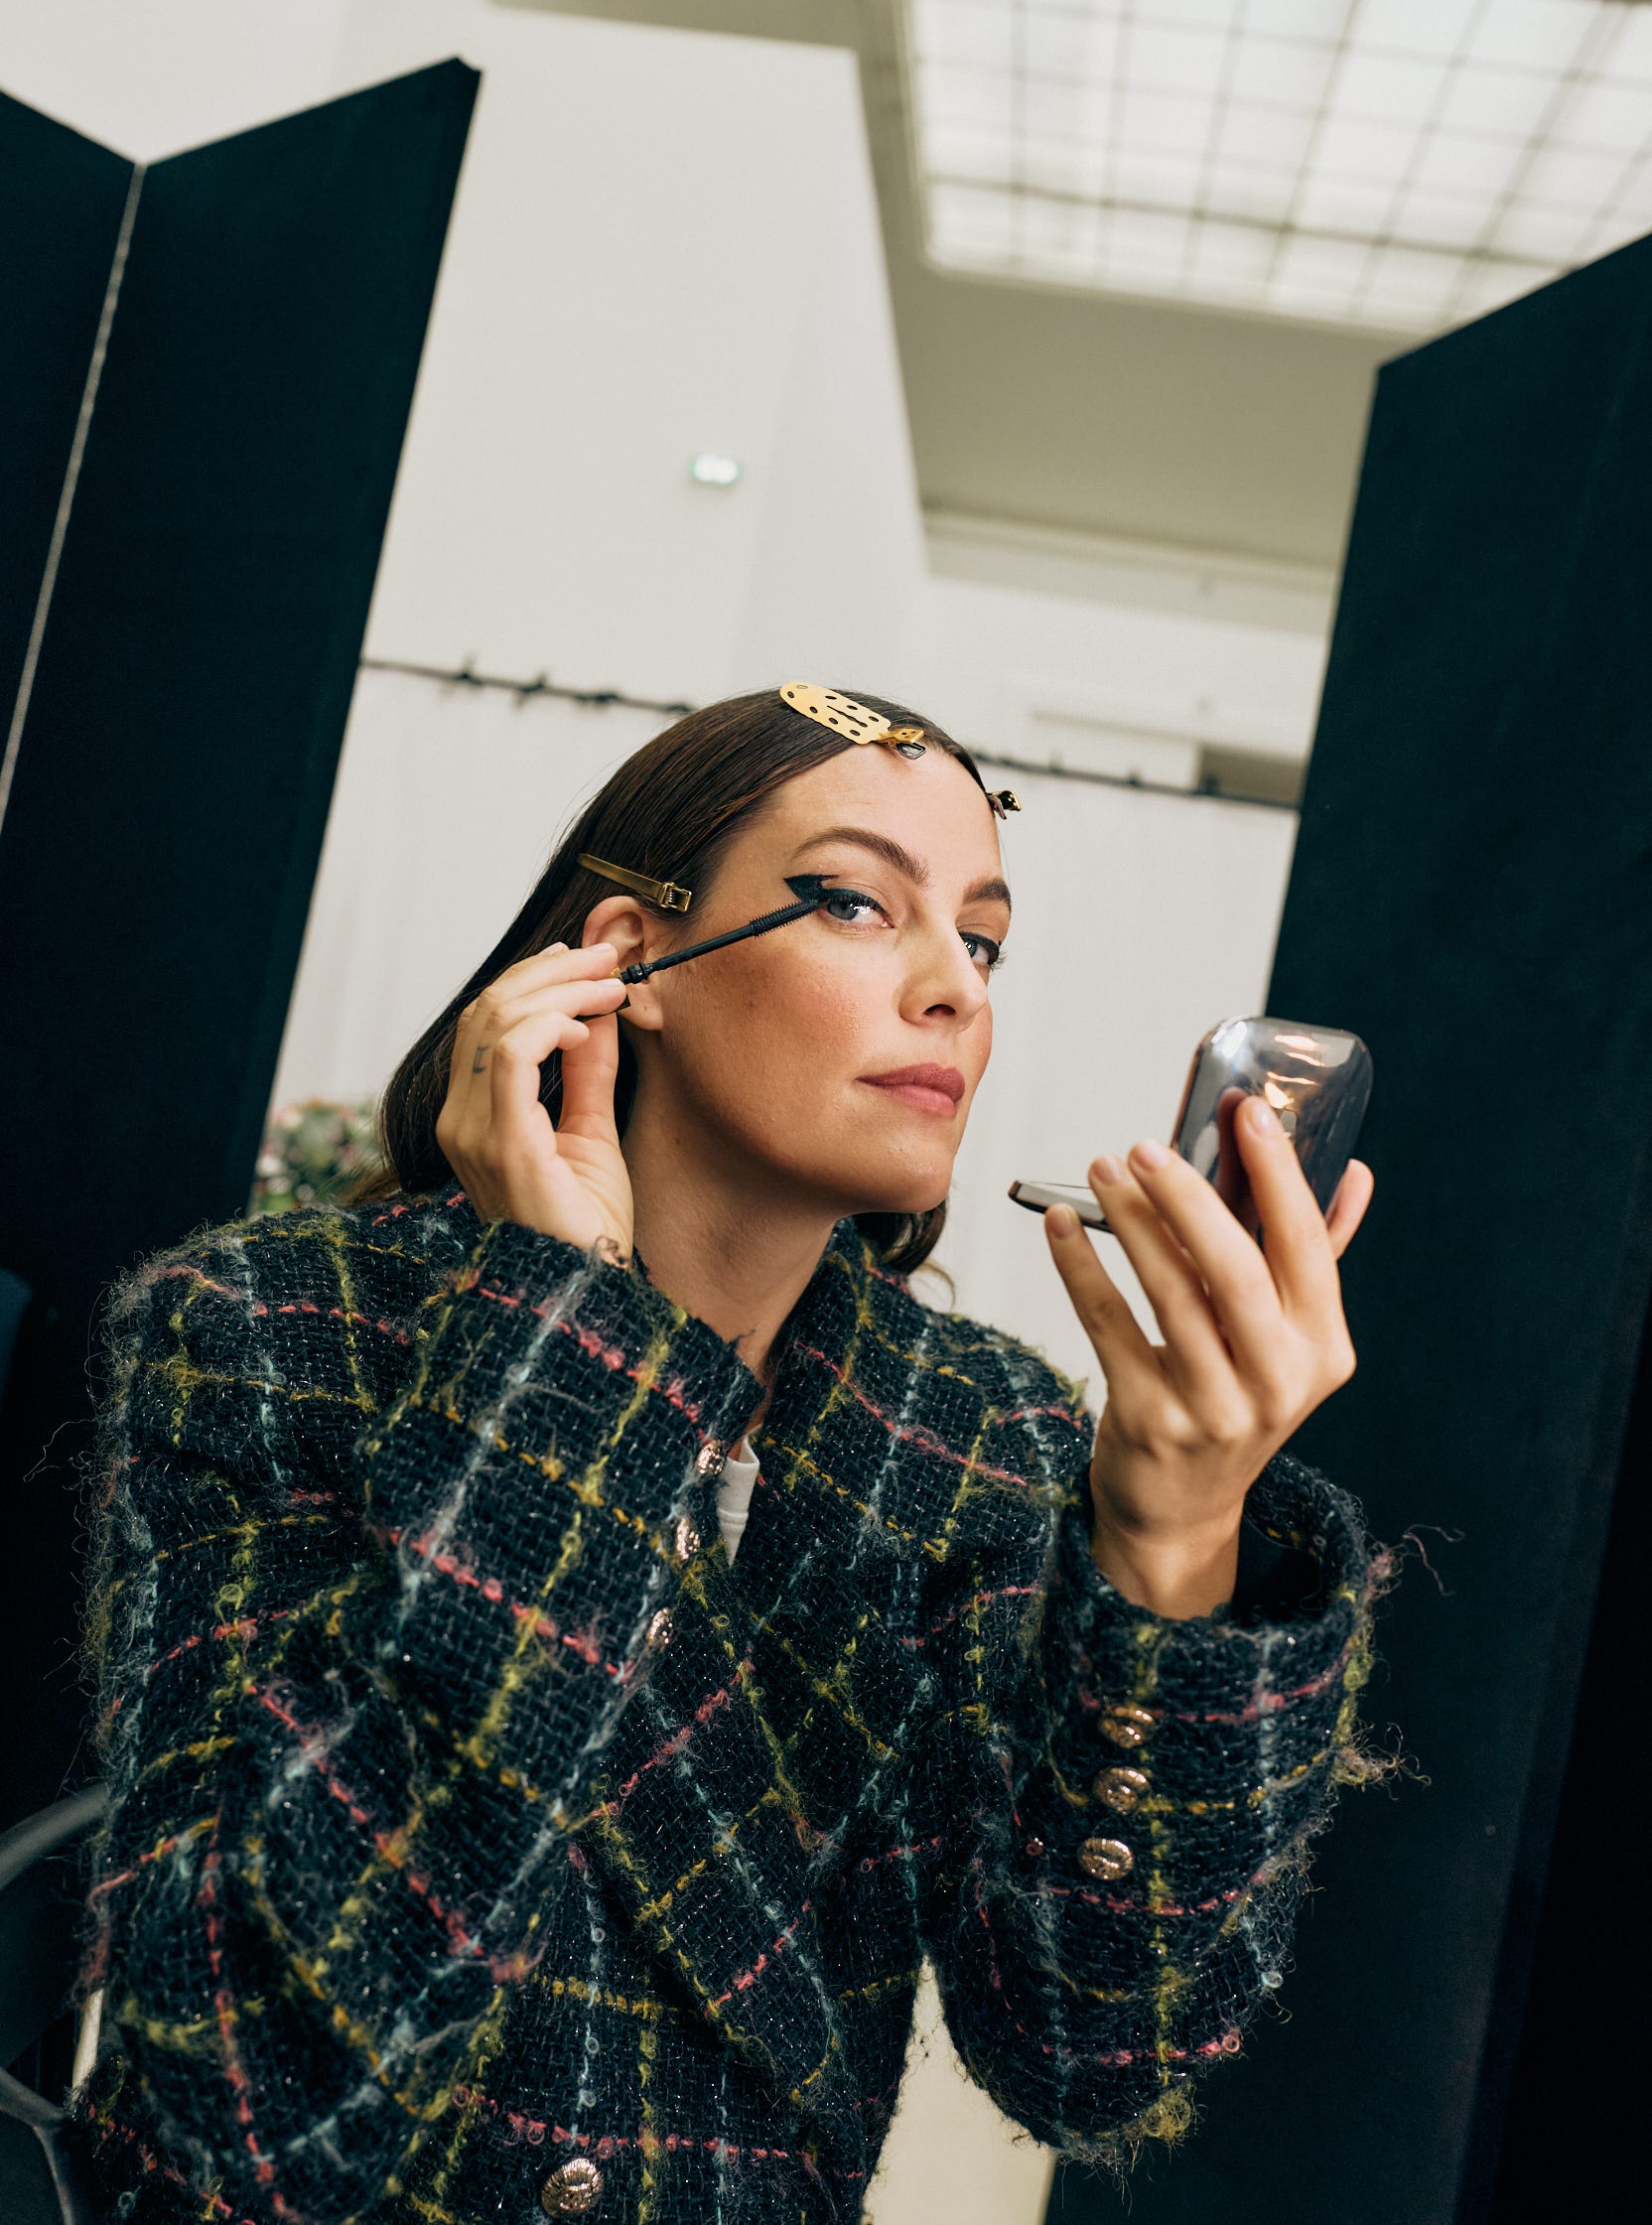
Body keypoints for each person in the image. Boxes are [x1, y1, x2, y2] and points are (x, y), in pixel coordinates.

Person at [76, 684, 1382, 2224]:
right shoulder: (269, 1331)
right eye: (853, 905)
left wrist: (1175, 1551)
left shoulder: (984, 1437)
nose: (953, 991)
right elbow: (243, 2087)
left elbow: (1087, 2062)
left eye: (981, 938)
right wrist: (565, 1345)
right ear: (635, 963)